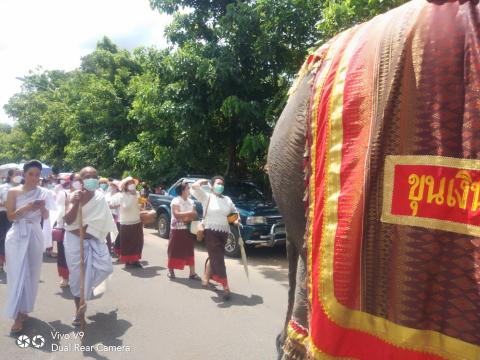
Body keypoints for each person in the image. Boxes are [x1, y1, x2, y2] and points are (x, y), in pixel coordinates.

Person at [4, 160, 56, 334]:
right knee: (16, 272)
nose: (34, 178)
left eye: (37, 174)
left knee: (32, 273)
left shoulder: (44, 193)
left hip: (34, 232)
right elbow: (10, 217)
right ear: (24, 174)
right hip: (17, 232)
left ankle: (25, 308)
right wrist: (27, 207)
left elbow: (47, 216)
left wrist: (41, 209)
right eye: (31, 174)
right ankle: (16, 315)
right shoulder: (13, 192)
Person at [63, 166, 117, 326]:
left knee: (106, 268)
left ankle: (87, 289)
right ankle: (79, 312)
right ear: (80, 180)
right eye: (87, 176)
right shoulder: (72, 195)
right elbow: (68, 220)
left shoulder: (100, 198)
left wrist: (93, 233)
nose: (91, 179)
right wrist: (74, 203)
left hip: (94, 240)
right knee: (76, 278)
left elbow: (104, 222)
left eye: (94, 176)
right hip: (74, 241)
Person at [191, 176, 239, 300]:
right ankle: (226, 287)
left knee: (215, 257)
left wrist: (236, 220)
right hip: (210, 232)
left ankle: (205, 280)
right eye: (218, 183)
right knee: (218, 259)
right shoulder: (206, 196)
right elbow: (194, 188)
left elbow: (233, 213)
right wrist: (202, 181)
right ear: (212, 186)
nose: (220, 186)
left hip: (224, 233)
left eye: (222, 184)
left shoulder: (227, 199)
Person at [167, 181, 199, 280]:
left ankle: (192, 273)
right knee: (174, 250)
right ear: (182, 191)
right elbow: (176, 214)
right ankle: (171, 270)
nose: (189, 190)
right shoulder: (176, 201)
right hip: (177, 229)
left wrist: (186, 216)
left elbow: (195, 215)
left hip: (188, 229)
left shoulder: (191, 201)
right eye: (187, 188)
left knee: (189, 250)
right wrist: (189, 214)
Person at [111, 176, 144, 268]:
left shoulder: (137, 193)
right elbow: (124, 206)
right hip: (125, 222)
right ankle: (127, 260)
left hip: (136, 220)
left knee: (137, 242)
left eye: (132, 182)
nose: (132, 184)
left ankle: (135, 260)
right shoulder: (121, 195)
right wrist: (132, 197)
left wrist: (141, 205)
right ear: (125, 186)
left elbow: (138, 206)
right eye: (129, 183)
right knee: (127, 242)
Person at [54, 173, 77, 288]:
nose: (78, 182)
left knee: (77, 255)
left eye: (81, 180)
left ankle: (77, 278)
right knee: (63, 253)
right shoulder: (64, 193)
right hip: (65, 228)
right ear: (71, 181)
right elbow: (60, 210)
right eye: (76, 180)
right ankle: (65, 277)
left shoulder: (86, 195)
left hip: (80, 229)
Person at [0, 169, 23, 273]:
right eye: (16, 174)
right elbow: (2, 202)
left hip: (17, 216)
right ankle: (1, 263)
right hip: (4, 215)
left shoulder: (22, 188)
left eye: (20, 174)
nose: (19, 176)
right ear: (9, 176)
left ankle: (13, 262)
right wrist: (6, 204)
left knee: (15, 239)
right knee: (3, 238)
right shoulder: (3, 187)